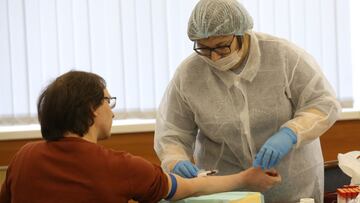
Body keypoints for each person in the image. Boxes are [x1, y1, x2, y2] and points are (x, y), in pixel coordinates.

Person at [154, 0, 341, 202]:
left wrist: (290, 134)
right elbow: (172, 134)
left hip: (291, 185)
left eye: (222, 47)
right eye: (204, 48)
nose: (214, 57)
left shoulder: (282, 56)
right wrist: (176, 160)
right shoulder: (189, 75)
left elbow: (323, 103)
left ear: (242, 33)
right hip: (227, 192)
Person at [0, 70, 280, 203]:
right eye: (108, 102)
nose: (113, 113)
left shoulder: (24, 158)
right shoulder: (120, 166)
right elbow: (188, 188)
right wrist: (245, 178)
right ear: (91, 109)